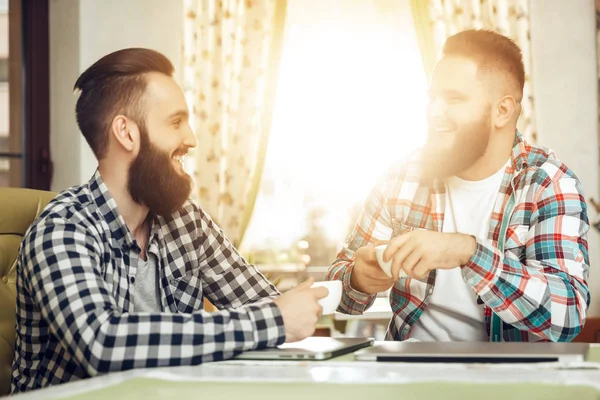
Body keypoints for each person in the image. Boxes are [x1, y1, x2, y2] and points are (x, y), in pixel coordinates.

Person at [12, 48, 327, 393]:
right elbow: (103, 343)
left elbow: (268, 306)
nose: (191, 140)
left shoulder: (185, 220)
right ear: (126, 133)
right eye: (176, 122)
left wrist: (343, 285)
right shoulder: (62, 229)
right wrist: (273, 319)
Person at [327, 29, 590, 343]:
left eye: (453, 98)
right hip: (408, 379)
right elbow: (339, 289)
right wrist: (358, 278)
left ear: (502, 111)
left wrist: (467, 252)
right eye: (433, 97)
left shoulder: (548, 183)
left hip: (512, 383)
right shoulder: (402, 177)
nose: (434, 110)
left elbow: (568, 314)